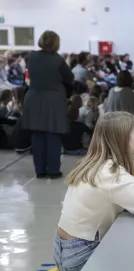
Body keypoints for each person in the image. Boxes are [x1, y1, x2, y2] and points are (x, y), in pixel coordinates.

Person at [53, 112, 134, 271]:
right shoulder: (112, 176)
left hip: (61, 251)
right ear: (122, 138)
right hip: (81, 257)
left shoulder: (93, 165)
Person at [22, 31, 74, 179]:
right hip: (53, 99)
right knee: (53, 135)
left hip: (33, 98)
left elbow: (28, 77)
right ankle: (53, 170)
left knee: (37, 135)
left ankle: (40, 170)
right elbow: (70, 78)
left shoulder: (31, 57)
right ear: (56, 43)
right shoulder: (58, 60)